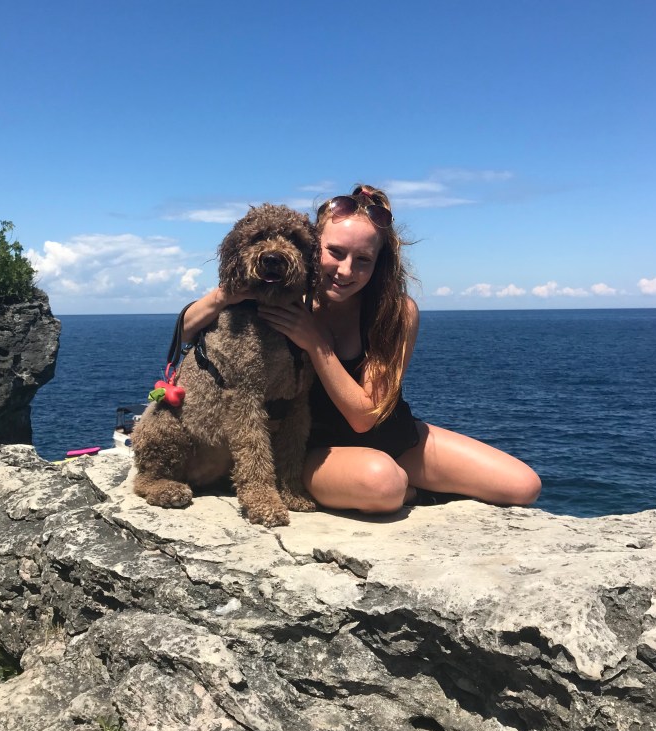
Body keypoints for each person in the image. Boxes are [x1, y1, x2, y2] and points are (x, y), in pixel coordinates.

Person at [179, 185, 541, 514]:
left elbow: (365, 416)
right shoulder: (286, 299)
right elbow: (183, 333)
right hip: (317, 450)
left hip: (387, 433)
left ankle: (404, 486)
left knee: (523, 485)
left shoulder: (394, 312)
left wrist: (315, 343)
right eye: (335, 253)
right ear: (311, 248)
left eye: (363, 259)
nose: (345, 271)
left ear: (378, 263)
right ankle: (408, 492)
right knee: (383, 483)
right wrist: (224, 295)